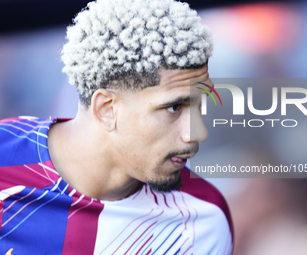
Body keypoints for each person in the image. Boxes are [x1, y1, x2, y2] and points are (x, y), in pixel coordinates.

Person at [0, 0, 233, 254]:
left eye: (199, 106)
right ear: (106, 109)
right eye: (174, 108)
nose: (198, 133)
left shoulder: (204, 220)